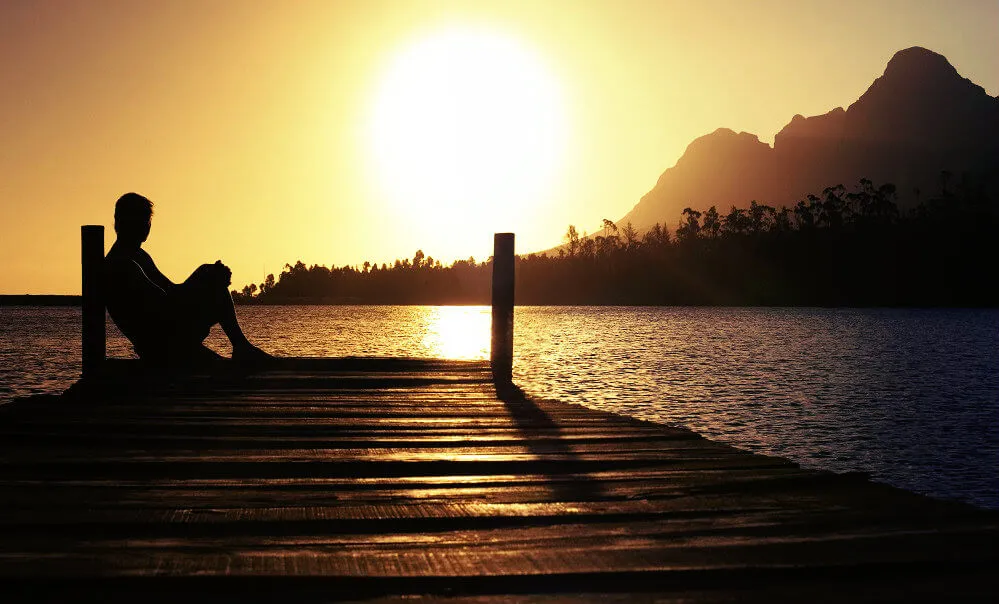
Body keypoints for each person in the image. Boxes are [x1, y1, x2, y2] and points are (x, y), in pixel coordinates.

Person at [104, 192, 273, 367]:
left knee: (214, 284)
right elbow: (165, 304)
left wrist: (206, 275)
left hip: (170, 336)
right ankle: (241, 346)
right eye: (140, 219)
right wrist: (203, 277)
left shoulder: (139, 256)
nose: (146, 226)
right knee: (214, 286)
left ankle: (241, 346)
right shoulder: (122, 265)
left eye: (147, 220)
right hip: (161, 346)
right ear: (122, 222)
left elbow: (172, 290)